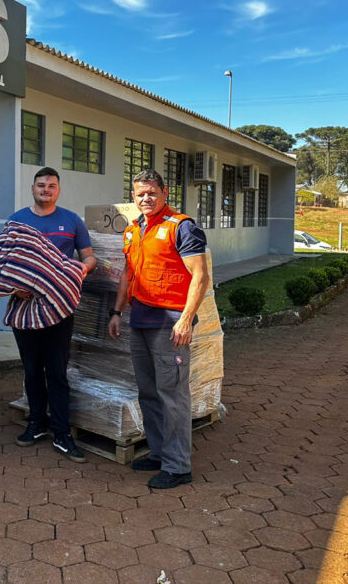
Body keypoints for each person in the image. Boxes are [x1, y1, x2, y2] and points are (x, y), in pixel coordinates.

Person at [108, 169, 210, 489]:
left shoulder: (182, 227)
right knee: (149, 392)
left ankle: (178, 466)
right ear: (134, 197)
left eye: (152, 192)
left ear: (164, 193)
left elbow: (201, 277)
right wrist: (116, 311)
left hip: (169, 324)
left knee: (173, 394)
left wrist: (185, 318)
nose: (146, 198)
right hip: (139, 320)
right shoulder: (133, 231)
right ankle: (159, 452)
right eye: (140, 194)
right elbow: (128, 274)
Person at [8, 167, 96, 462]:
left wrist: (80, 271)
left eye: (52, 186)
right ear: (32, 188)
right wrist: (14, 287)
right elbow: (4, 261)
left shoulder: (72, 221)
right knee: (32, 370)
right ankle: (36, 424)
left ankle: (61, 433)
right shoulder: (17, 220)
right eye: (41, 185)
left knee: (56, 372)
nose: (46, 189)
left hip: (59, 308)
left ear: (58, 190)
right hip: (24, 309)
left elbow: (89, 257)